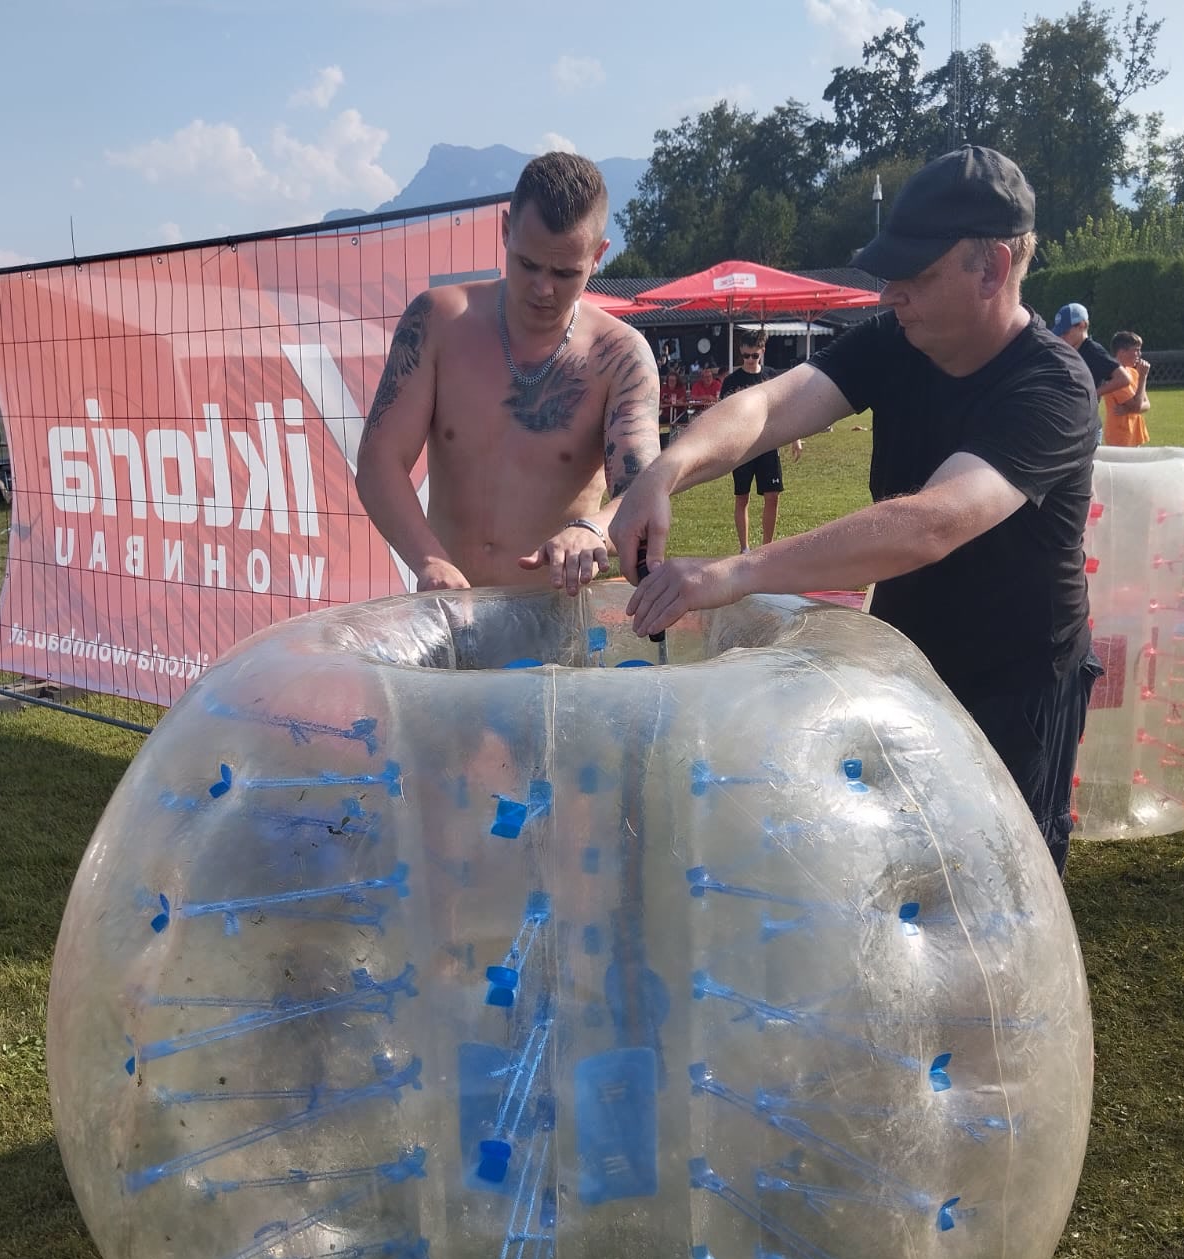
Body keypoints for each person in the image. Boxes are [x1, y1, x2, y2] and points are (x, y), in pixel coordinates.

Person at [611, 145, 1103, 875]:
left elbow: (931, 522)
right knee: (901, 868)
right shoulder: (899, 340)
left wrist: (733, 572)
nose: (888, 295)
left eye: (916, 276)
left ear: (992, 269)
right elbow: (772, 405)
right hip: (905, 662)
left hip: (1016, 687)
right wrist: (667, 468)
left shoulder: (1054, 387)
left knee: (1001, 883)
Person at [354, 152, 661, 597]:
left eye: (564, 273)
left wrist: (592, 528)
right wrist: (429, 560)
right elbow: (379, 459)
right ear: (504, 231)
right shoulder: (438, 321)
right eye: (527, 264)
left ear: (598, 256)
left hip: (552, 629)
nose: (543, 288)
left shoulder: (619, 355)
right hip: (449, 612)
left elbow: (643, 491)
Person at [718, 331, 803, 552]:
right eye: (745, 355)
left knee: (772, 496)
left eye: (754, 355)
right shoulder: (731, 382)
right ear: (740, 353)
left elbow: (784, 409)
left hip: (767, 443)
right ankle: (744, 548)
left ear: (762, 352)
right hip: (742, 447)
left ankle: (767, 548)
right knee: (742, 496)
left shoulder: (771, 376)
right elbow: (722, 417)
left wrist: (795, 438)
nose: (749, 360)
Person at [1051, 303, 1129, 404]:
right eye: (1059, 333)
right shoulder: (1069, 349)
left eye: (1065, 332)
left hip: (1084, 414)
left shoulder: (1093, 351)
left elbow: (1123, 378)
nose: (1061, 337)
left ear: (1082, 325)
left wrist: (1093, 394)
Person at [1102, 331, 1151, 446]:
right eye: (1136, 350)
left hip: (1135, 434)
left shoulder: (1133, 372)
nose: (1139, 354)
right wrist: (1143, 377)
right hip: (1120, 436)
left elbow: (1147, 404)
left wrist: (1129, 409)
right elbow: (1138, 406)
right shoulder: (1115, 376)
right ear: (1122, 352)